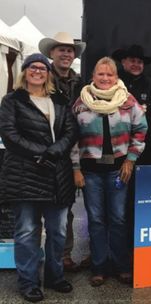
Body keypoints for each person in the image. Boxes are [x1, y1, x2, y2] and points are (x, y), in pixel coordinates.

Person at [0, 53, 78, 302]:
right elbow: (10, 134)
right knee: (26, 232)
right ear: (25, 72)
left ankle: (55, 277)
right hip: (26, 175)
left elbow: (71, 130)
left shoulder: (60, 100)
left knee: (57, 231)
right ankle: (29, 282)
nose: (37, 71)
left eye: (42, 68)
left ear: (48, 73)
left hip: (57, 176)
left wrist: (55, 151)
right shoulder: (12, 101)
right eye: (32, 67)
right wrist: (42, 153)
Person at [71, 57, 147, 287]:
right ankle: (99, 266)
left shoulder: (128, 100)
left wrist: (131, 160)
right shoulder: (81, 103)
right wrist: (75, 168)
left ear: (116, 77)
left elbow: (141, 130)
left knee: (118, 218)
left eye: (110, 74)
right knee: (95, 219)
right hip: (90, 171)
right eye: (100, 74)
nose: (105, 78)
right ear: (93, 76)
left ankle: (121, 265)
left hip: (118, 170)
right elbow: (72, 138)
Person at [39, 31, 88, 272]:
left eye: (70, 50)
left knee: (65, 207)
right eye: (62, 49)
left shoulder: (81, 83)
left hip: (75, 149)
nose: (66, 53)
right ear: (52, 53)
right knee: (42, 207)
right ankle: (46, 256)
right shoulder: (41, 78)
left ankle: (64, 255)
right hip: (48, 150)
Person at [112, 44, 151, 164]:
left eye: (139, 62)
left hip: (143, 147)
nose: (136, 65)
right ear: (123, 62)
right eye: (132, 61)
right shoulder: (113, 82)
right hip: (116, 145)